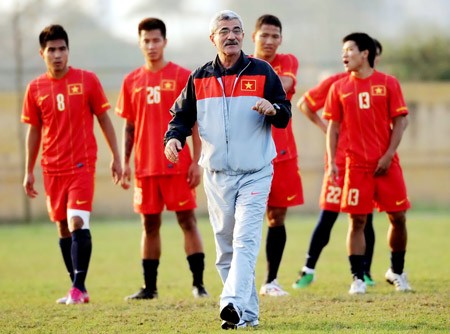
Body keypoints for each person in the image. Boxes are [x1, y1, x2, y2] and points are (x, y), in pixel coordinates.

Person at [164, 10, 291, 330]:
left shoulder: (262, 71)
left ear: (243, 36)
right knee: (225, 249)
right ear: (213, 38)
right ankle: (247, 314)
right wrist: (173, 139)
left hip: (256, 171)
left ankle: (230, 302)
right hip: (218, 175)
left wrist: (272, 108)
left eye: (236, 30)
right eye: (224, 31)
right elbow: (180, 117)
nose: (231, 35)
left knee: (246, 240)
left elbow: (284, 113)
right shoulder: (199, 77)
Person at [21, 24, 122, 304]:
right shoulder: (35, 88)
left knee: (77, 221)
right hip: (51, 168)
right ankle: (78, 287)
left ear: (68, 51)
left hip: (82, 164)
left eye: (62, 49)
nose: (57, 55)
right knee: (63, 228)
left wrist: (116, 156)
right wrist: (28, 171)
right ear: (42, 53)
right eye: (51, 50)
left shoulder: (87, 80)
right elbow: (34, 131)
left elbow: (103, 118)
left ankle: (77, 289)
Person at [115, 17, 208, 300]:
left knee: (187, 221)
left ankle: (199, 285)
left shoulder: (182, 76)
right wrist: (124, 161)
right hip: (146, 167)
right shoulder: (131, 80)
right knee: (149, 225)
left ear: (165, 42)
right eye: (146, 40)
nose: (152, 45)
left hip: (178, 165)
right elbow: (129, 125)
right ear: (140, 43)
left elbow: (194, 123)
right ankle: (150, 288)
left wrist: (196, 160)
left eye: (156, 40)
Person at [324, 32, 412, 294]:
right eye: (343, 50)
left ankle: (396, 271)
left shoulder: (388, 83)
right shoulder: (338, 88)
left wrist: (387, 155)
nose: (345, 55)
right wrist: (332, 162)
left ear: (365, 53)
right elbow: (333, 128)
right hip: (356, 166)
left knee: (398, 217)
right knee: (357, 221)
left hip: (387, 165)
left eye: (350, 49)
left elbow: (401, 122)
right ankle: (357, 278)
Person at [292, 39, 383, 289]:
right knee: (328, 215)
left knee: (366, 218)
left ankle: (364, 272)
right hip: (340, 162)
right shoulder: (337, 84)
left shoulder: (381, 85)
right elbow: (305, 104)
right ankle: (308, 269)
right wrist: (327, 129)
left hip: (366, 163)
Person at [251, 14, 304, 297]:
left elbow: (282, 86)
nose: (269, 41)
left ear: (280, 39)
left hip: (281, 152)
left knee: (277, 215)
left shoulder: (288, 61)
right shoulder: (242, 61)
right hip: (248, 151)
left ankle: (271, 281)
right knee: (243, 218)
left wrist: (251, 89)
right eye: (264, 36)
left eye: (275, 36)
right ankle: (240, 279)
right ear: (254, 37)